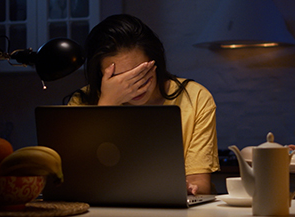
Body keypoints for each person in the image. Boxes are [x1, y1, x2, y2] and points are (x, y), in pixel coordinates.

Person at [68, 14, 220, 195]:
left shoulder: (195, 98)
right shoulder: (82, 102)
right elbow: (77, 180)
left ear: (155, 63)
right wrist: (108, 103)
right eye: (120, 79)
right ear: (101, 77)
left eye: (140, 74)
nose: (135, 87)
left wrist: (188, 189)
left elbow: (199, 182)